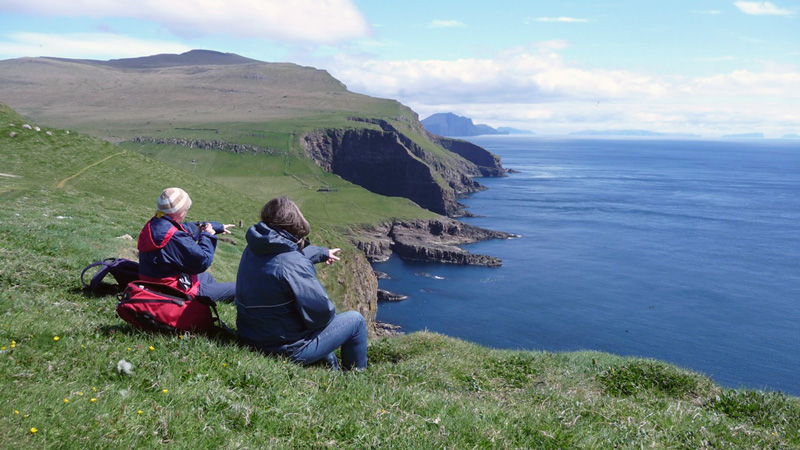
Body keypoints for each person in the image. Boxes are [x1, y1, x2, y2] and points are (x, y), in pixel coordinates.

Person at [235, 196, 367, 371]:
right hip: (285, 349)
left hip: (250, 336)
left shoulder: (255, 247)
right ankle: (356, 378)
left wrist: (321, 253)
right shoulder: (292, 264)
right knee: (356, 320)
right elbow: (322, 315)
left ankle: (330, 365)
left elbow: (281, 261)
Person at [137, 187, 236, 303]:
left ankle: (208, 303)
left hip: (156, 282)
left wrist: (216, 226)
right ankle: (198, 304)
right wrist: (207, 235)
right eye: (186, 209)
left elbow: (186, 229)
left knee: (207, 277)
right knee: (238, 288)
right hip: (174, 290)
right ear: (180, 212)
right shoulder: (174, 237)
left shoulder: (155, 223)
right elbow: (202, 261)